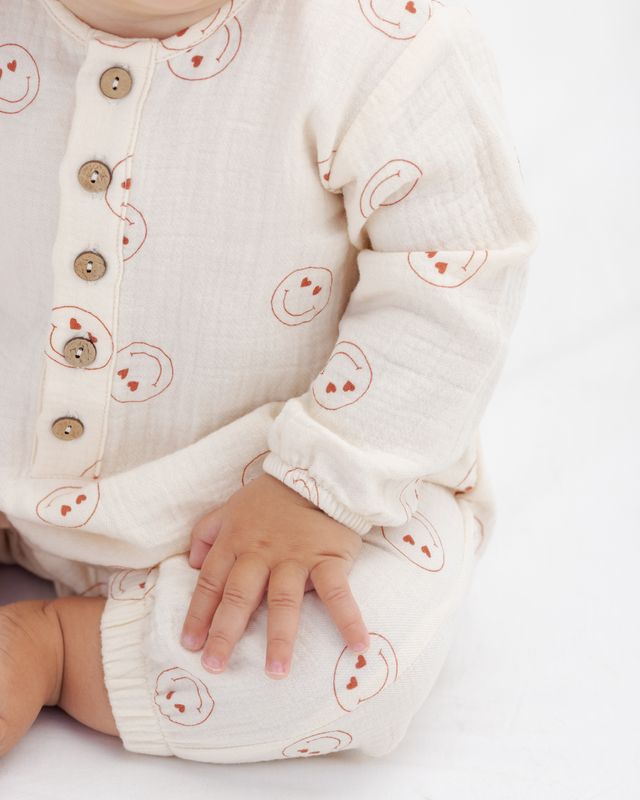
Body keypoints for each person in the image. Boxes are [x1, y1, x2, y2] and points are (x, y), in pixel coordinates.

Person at [0, 0, 538, 762]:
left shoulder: (384, 42)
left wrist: (320, 487)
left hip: (280, 490)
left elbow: (457, 276)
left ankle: (61, 647)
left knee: (366, 646)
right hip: (14, 453)